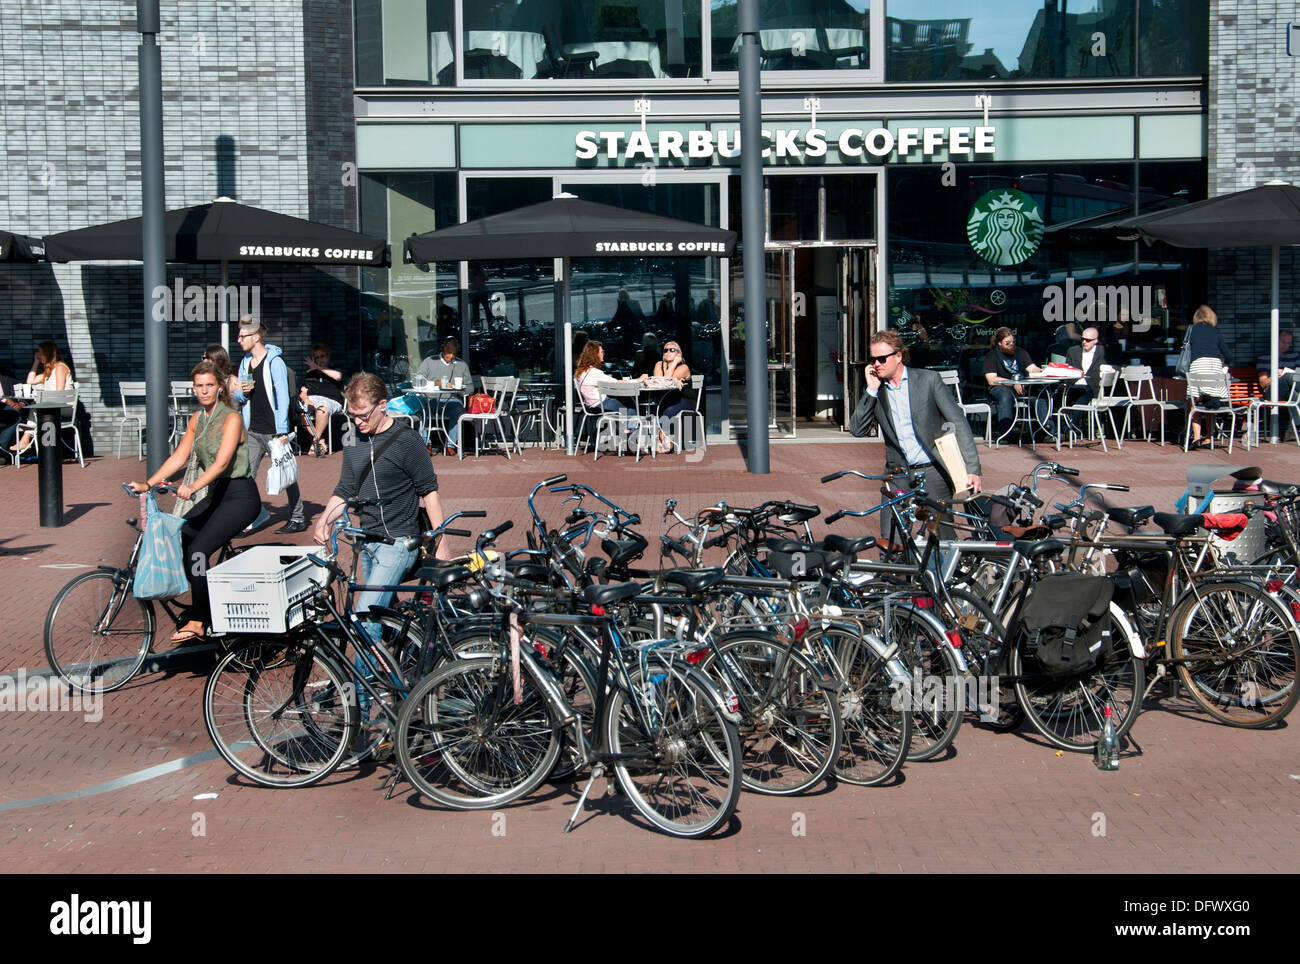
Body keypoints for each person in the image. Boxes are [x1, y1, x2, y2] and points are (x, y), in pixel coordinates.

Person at [127, 361, 259, 644]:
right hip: (216, 495)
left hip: (240, 496)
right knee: (183, 536)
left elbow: (223, 462)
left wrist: (193, 486)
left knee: (199, 550)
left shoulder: (232, 418)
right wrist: (148, 483)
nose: (204, 391)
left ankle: (199, 618)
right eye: (199, 386)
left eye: (209, 385)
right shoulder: (197, 420)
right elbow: (179, 457)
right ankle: (210, 606)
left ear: (220, 387)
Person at [312, 373, 447, 622]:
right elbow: (345, 488)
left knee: (366, 613)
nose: (358, 421)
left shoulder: (407, 440)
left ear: (382, 406)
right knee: (386, 618)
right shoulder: (352, 439)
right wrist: (324, 520)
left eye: (363, 414)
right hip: (366, 542)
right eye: (352, 415)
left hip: (398, 542)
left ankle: (366, 663)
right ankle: (406, 655)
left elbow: (429, 492)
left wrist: (442, 544)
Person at [849, 330, 982, 539]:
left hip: (932, 470)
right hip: (898, 475)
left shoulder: (928, 380)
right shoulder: (878, 391)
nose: (876, 364)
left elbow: (959, 422)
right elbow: (857, 429)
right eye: (873, 359)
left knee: (943, 538)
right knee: (891, 541)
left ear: (899, 356)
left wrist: (972, 468)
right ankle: (897, 571)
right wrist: (871, 390)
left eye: (882, 358)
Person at [232, 315, 307, 533]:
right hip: (253, 429)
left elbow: (283, 397)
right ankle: (249, 516)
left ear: (255, 337)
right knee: (245, 476)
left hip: (274, 430)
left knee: (286, 475)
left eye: (242, 336)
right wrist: (241, 393)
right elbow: (238, 395)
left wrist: (283, 430)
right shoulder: (245, 363)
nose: (238, 340)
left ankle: (298, 517)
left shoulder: (275, 362)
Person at [575, 339, 646, 447]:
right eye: (601, 352)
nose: (603, 353)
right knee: (631, 405)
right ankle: (630, 435)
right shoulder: (594, 372)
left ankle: (628, 432)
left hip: (590, 406)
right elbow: (616, 383)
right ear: (595, 355)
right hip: (600, 405)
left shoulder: (581, 372)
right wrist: (638, 380)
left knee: (626, 401)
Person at [9, 340, 72, 454]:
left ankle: (26, 438)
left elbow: (59, 392)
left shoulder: (60, 368)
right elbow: (30, 381)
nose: (38, 354)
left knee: (35, 407)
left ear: (47, 354)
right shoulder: (49, 371)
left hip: (64, 407)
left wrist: (43, 399)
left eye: (40, 353)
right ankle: (26, 438)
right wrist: (36, 362)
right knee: (35, 407)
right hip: (53, 407)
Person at [416, 336, 473, 456]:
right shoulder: (429, 361)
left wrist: (458, 389)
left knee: (459, 412)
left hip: (451, 400)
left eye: (454, 353)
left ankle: (450, 444)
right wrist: (434, 383)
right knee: (422, 411)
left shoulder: (461, 364)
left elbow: (470, 388)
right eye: (448, 352)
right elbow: (417, 381)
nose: (451, 356)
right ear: (443, 349)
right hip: (431, 398)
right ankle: (426, 443)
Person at [1185, 304, 1232, 449]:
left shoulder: (1192, 330)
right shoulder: (1215, 332)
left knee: (1194, 404)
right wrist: (1225, 365)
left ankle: (1196, 437)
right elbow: (1228, 354)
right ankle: (1209, 438)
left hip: (1197, 366)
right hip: (1215, 367)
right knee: (1211, 402)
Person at [983, 327, 1042, 439]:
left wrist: (1042, 370)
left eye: (1013, 342)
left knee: (1039, 393)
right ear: (999, 343)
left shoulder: (1020, 352)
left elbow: (1031, 368)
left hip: (1021, 386)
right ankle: (1005, 433)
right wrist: (1013, 383)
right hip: (1001, 386)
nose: (1011, 344)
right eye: (1007, 343)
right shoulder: (992, 355)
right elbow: (991, 379)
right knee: (1005, 396)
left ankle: (1045, 429)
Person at [300, 342, 345, 456]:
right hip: (312, 400)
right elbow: (303, 391)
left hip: (331, 400)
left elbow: (338, 377)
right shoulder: (310, 374)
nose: (320, 359)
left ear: (328, 356)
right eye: (317, 357)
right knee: (302, 413)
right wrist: (306, 399)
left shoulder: (335, 368)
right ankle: (319, 440)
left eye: (322, 356)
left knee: (322, 410)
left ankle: (314, 442)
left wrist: (319, 368)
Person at [649, 339, 692, 455]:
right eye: (665, 350)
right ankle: (664, 439)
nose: (668, 352)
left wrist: (673, 364)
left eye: (672, 350)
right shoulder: (659, 364)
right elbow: (661, 383)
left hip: (681, 400)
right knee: (653, 409)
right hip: (663, 400)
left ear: (679, 353)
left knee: (667, 411)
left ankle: (662, 438)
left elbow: (666, 381)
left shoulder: (684, 368)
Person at [1256, 328, 1300, 439]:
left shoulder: (1294, 357)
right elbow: (1263, 383)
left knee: (1295, 395)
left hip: (1290, 391)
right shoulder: (1265, 357)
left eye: (1288, 343)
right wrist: (1276, 376)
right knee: (1288, 376)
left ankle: (1290, 430)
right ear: (1275, 340)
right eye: (1283, 342)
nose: (1286, 346)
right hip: (1273, 391)